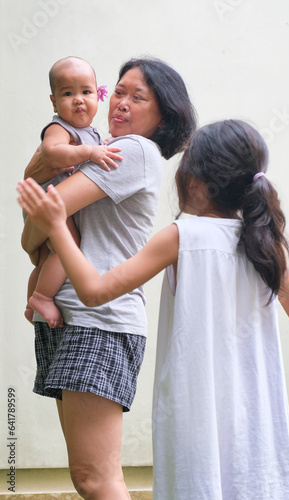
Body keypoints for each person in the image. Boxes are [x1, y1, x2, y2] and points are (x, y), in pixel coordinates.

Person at [18, 119, 289, 500]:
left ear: (193, 182)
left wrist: (57, 227)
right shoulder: (265, 243)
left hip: (194, 412)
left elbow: (95, 292)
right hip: (257, 418)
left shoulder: (183, 236)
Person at [19, 57, 197, 500]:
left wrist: (40, 202)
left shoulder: (134, 150)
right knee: (88, 475)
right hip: (73, 316)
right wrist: (40, 213)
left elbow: (45, 213)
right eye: (118, 91)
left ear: (163, 116)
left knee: (96, 477)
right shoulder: (95, 145)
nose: (120, 102)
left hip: (100, 322)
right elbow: (33, 233)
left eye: (138, 97)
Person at [25, 56, 122, 328]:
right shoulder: (58, 128)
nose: (78, 99)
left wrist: (99, 144)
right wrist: (90, 152)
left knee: (46, 257)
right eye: (68, 93)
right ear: (54, 102)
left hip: (54, 201)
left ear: (97, 97)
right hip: (51, 199)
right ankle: (43, 297)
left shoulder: (90, 133)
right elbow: (51, 152)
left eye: (86, 92)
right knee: (69, 246)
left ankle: (30, 301)